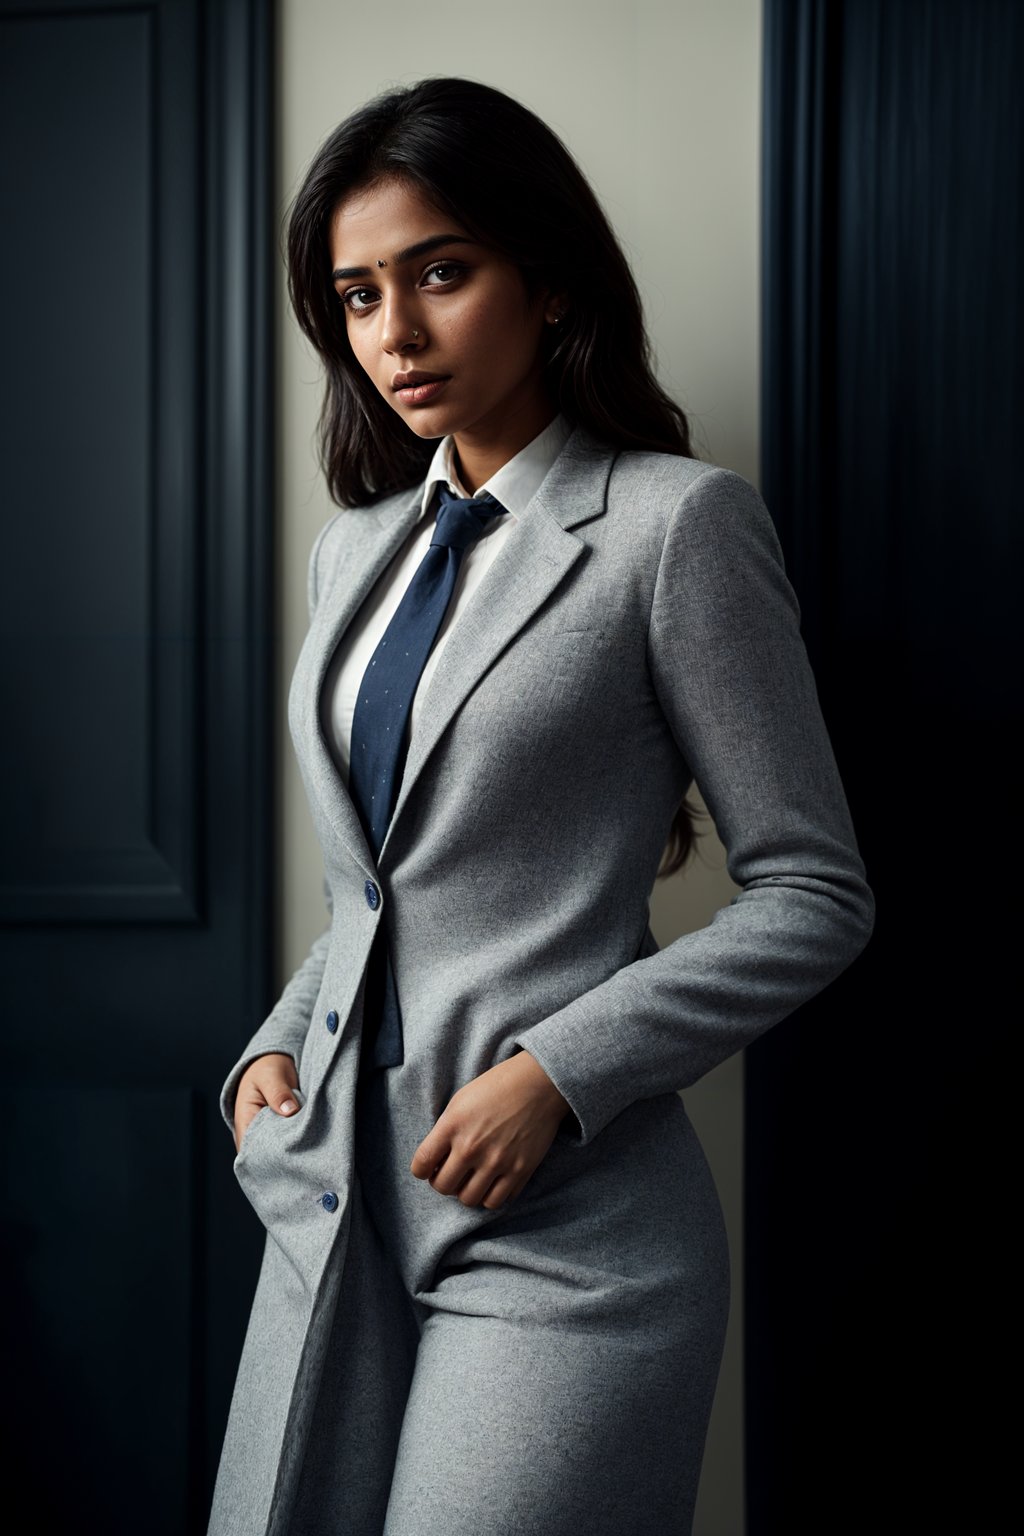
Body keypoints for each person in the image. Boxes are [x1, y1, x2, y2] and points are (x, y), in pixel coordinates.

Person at [207, 77, 874, 1536]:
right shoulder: (356, 554)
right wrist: (271, 1050)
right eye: (358, 294)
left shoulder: (676, 526)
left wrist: (557, 1072)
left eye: (442, 272)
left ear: (547, 272)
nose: (397, 330)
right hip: (331, 1210)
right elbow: (377, 894)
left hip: (566, 1235)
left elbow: (817, 892)